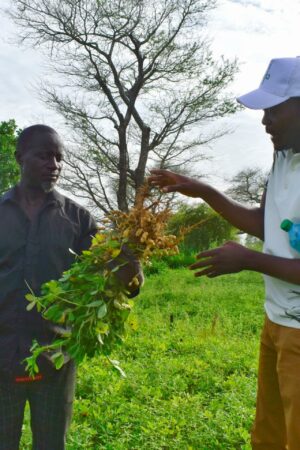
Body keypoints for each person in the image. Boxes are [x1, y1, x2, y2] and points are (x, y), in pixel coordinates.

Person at [149, 57, 300, 450]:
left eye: (274, 110)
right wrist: (203, 191)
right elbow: (265, 223)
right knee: (270, 435)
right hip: (278, 319)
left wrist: (248, 260)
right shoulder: (284, 158)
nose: (265, 121)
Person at [0, 124, 142, 450]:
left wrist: (131, 275)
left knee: (51, 443)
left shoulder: (78, 219)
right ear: (20, 157)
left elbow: (115, 275)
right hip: (1, 357)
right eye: (44, 156)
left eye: (59, 158)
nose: (55, 165)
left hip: (56, 358)